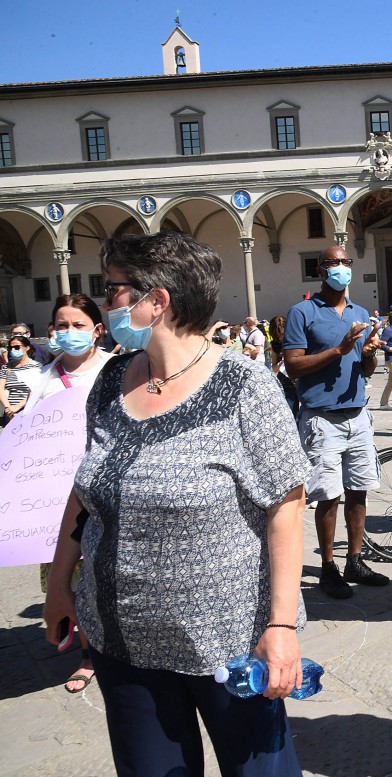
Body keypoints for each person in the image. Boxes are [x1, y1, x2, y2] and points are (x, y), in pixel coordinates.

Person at [42, 231, 309, 775]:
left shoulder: (244, 385)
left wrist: (280, 628)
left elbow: (287, 504)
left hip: (227, 644)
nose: (107, 300)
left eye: (113, 288)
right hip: (123, 640)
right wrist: (59, 584)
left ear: (155, 300)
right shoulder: (112, 380)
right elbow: (85, 489)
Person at [284, 245, 389, 600]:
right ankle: (328, 566)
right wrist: (338, 351)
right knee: (328, 495)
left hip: (357, 413)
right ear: (321, 269)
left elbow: (364, 368)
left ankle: (354, 559)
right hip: (321, 417)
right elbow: (294, 365)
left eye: (346, 262)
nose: (342, 268)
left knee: (358, 489)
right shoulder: (303, 312)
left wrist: (369, 354)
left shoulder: (359, 311)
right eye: (334, 263)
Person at [26, 293, 114, 694]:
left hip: (107, 491)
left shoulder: (115, 370)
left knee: (105, 569)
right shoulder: (41, 378)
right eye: (61, 325)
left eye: (78, 325)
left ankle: (110, 643)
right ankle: (86, 652)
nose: (68, 332)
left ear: (97, 330)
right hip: (56, 498)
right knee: (70, 574)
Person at [0, 334, 42, 424]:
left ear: (27, 348)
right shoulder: (6, 367)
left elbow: (37, 391)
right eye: (10, 348)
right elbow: (1, 389)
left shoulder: (36, 366)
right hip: (9, 413)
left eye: (17, 347)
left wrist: (18, 407)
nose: (13, 350)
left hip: (29, 410)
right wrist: (8, 408)